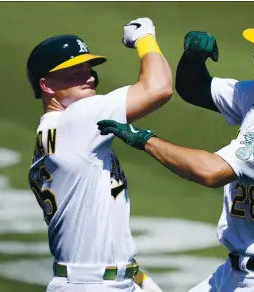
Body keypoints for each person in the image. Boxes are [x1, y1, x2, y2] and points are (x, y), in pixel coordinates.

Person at [96, 11, 254, 292]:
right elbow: (195, 89)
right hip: (237, 273)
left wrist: (144, 139)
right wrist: (193, 58)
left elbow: (212, 171)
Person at [27, 17, 171, 292]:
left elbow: (96, 224)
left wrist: (137, 279)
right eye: (75, 72)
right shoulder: (75, 120)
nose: (90, 76)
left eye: (89, 69)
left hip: (94, 279)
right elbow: (159, 88)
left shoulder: (51, 132)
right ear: (46, 86)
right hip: (91, 284)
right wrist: (145, 39)